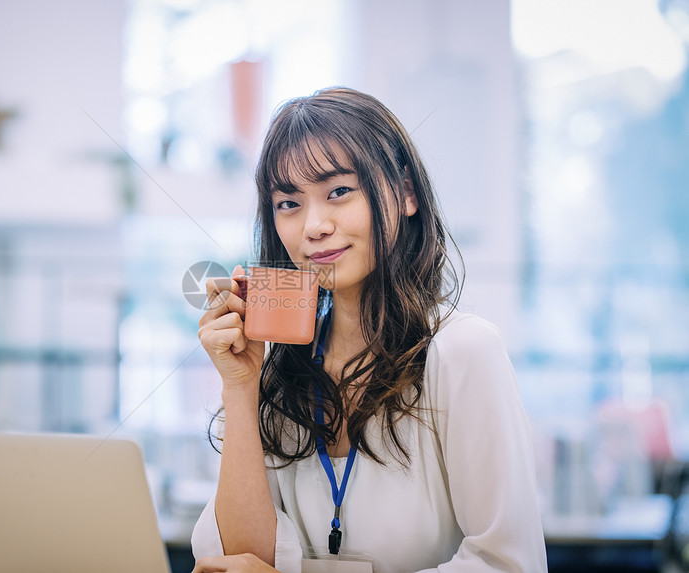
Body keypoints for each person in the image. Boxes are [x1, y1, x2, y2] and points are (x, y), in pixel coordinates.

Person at [193, 87, 547, 573]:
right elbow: (243, 560)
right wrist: (239, 386)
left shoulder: (462, 350)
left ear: (405, 194)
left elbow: (509, 565)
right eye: (288, 203)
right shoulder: (282, 370)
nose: (313, 225)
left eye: (339, 192)